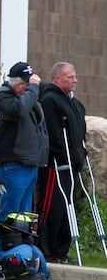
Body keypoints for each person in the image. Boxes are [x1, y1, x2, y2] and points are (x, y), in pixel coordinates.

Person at [36, 62, 86, 263]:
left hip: (71, 166)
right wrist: (62, 156)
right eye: (70, 77)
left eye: (74, 76)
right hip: (55, 165)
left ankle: (61, 249)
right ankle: (46, 249)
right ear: (58, 78)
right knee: (52, 207)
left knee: (68, 207)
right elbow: (55, 134)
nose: (75, 80)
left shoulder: (74, 103)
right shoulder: (50, 100)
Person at [0, 61, 49, 241]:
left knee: (25, 217)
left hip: (29, 164)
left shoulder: (28, 98)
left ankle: (23, 252)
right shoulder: (4, 97)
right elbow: (20, 110)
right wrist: (33, 89)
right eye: (26, 84)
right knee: (10, 213)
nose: (30, 89)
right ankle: (4, 254)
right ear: (15, 83)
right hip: (12, 165)